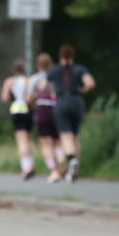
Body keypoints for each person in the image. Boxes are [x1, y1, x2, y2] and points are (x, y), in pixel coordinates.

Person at [40, 44, 95, 182]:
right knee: (75, 135)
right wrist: (82, 90)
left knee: (65, 135)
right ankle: (75, 168)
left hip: (62, 101)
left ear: (60, 56)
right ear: (72, 56)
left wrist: (53, 90)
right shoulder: (79, 69)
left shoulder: (54, 70)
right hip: (76, 101)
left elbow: (42, 86)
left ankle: (71, 159)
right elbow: (90, 83)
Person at [26, 53, 64, 182]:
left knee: (46, 142)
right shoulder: (57, 77)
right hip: (57, 109)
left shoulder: (34, 79)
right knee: (58, 141)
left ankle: (54, 171)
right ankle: (62, 164)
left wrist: (33, 102)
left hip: (42, 110)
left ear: (38, 65)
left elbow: (29, 98)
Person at [1, 59, 36, 179]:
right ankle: (31, 165)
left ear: (13, 69)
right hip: (27, 110)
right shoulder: (28, 81)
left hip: (17, 109)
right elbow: (30, 98)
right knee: (28, 138)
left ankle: (26, 168)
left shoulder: (10, 81)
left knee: (21, 141)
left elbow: (4, 98)